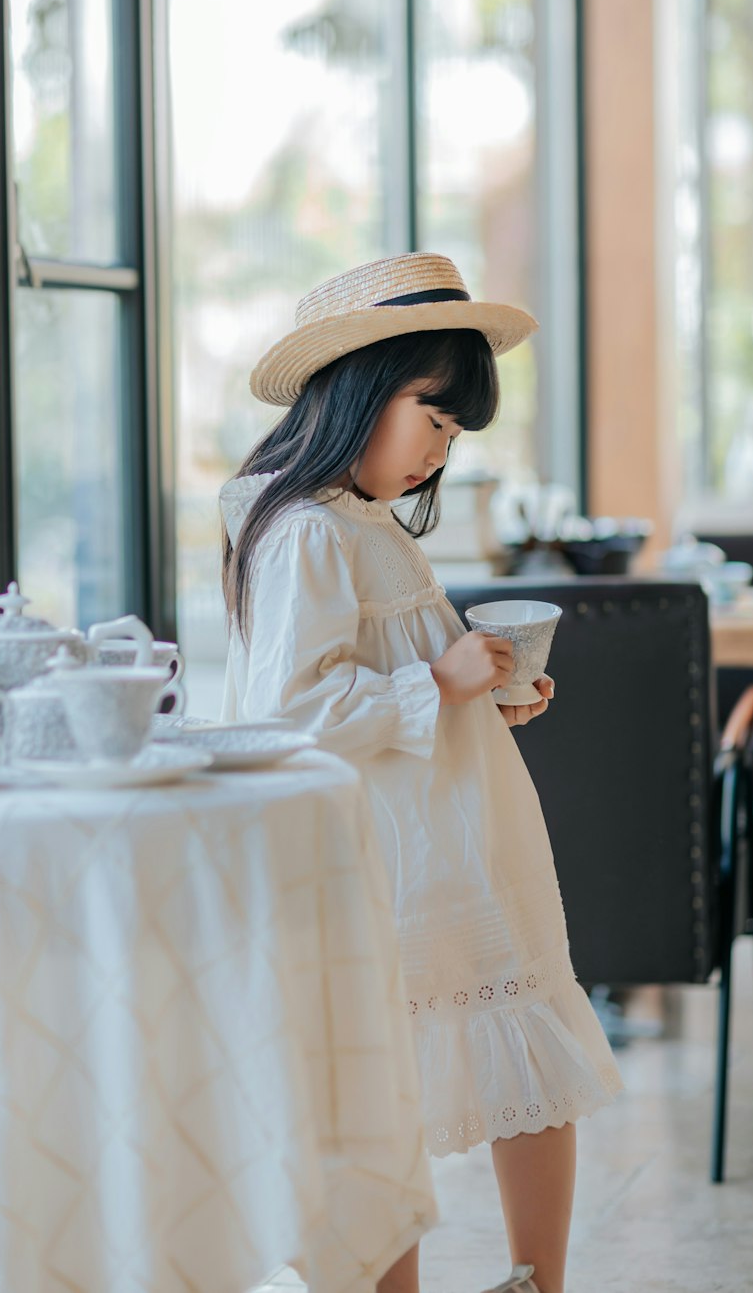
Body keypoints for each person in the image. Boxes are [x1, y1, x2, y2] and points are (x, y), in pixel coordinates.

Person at [219, 253, 623, 1293]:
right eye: (433, 421)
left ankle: (541, 1279)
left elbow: (406, 674)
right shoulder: (304, 532)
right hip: (387, 862)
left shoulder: (366, 524)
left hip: (457, 841)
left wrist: (485, 693)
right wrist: (435, 687)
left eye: (452, 436)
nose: (439, 453)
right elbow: (285, 716)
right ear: (361, 386)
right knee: (381, 1096)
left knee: (526, 1060)